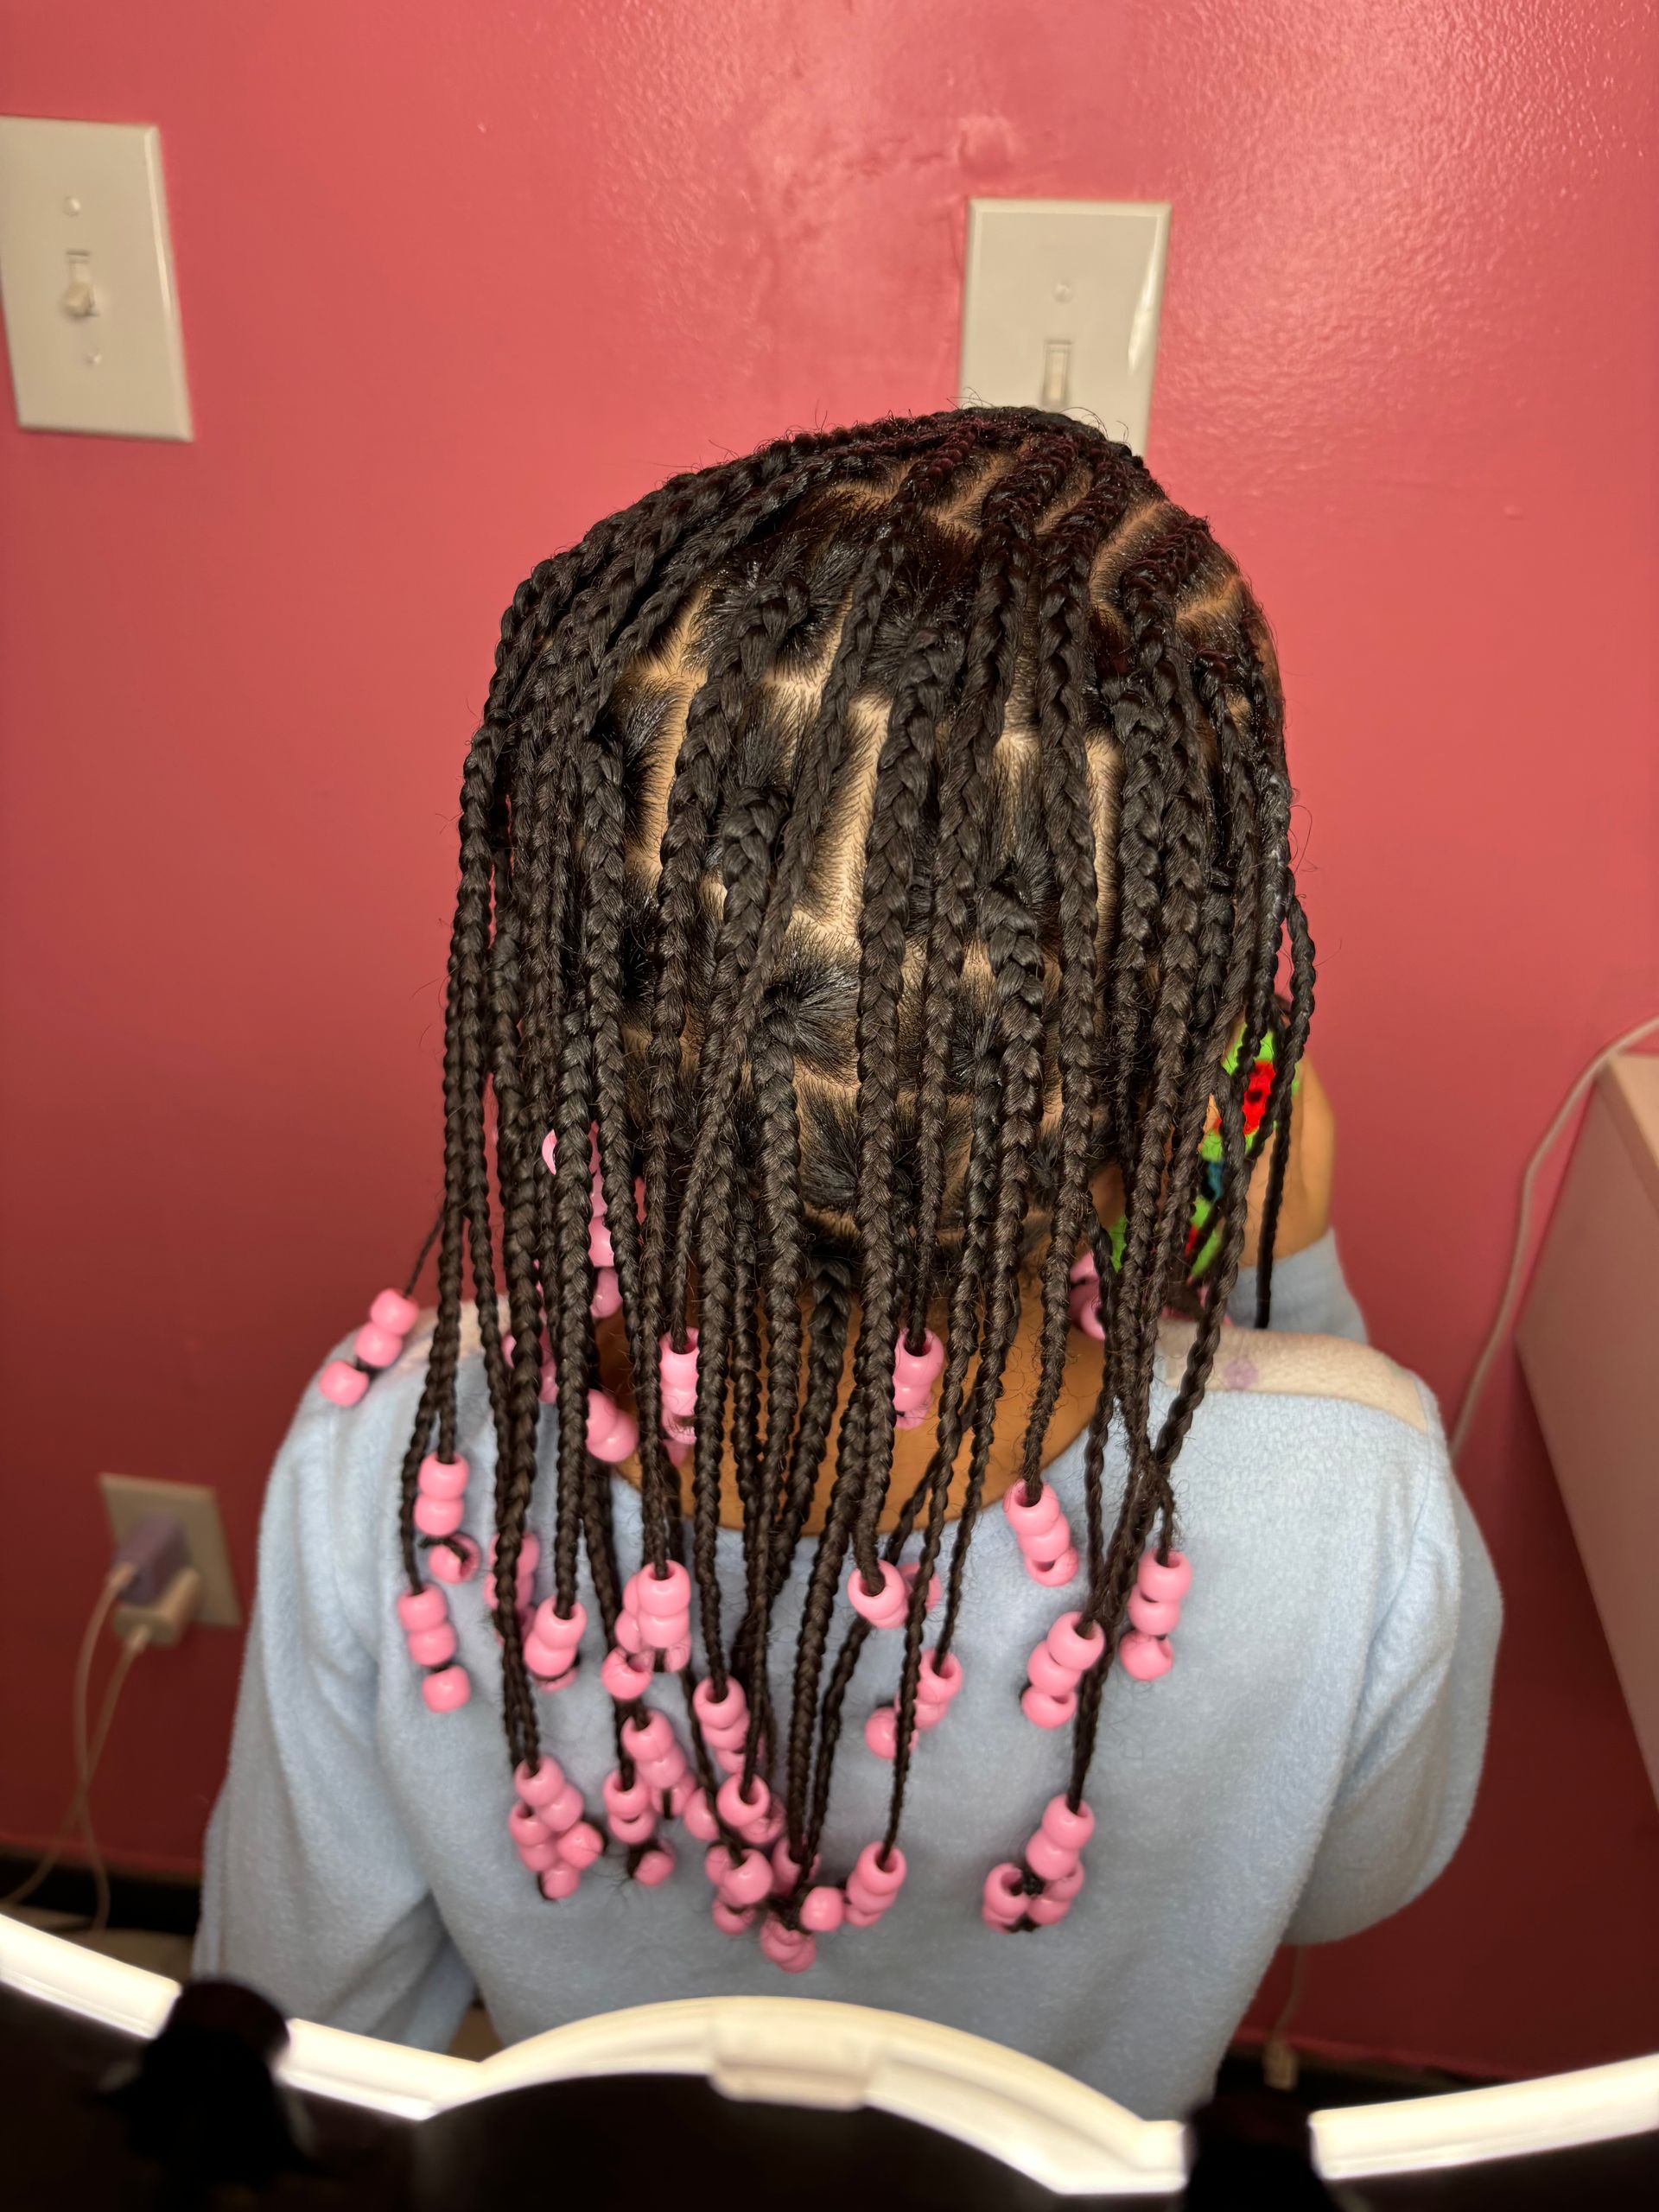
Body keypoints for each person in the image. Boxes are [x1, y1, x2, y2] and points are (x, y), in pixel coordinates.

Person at [196, 408, 1499, 2122]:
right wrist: (1282, 1274)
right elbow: (1341, 1878)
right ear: (1168, 1085)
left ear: (587, 1014)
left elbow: (307, 2025)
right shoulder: (1362, 1495)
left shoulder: (395, 1464)